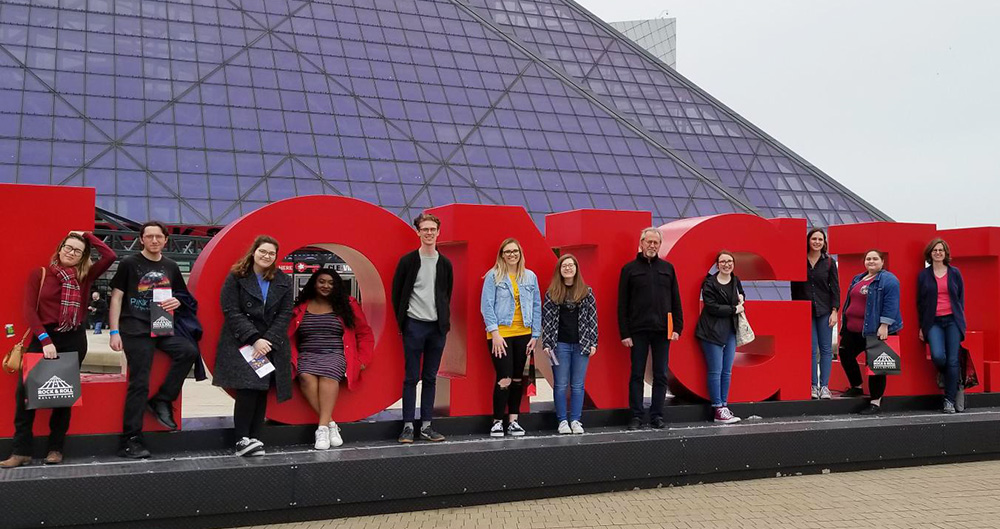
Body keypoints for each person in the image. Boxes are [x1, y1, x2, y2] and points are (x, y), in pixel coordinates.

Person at [2, 231, 115, 468]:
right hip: (44, 336)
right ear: (60, 247)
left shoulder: (85, 276)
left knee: (63, 395)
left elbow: (109, 255)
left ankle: (55, 448)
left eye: (77, 251)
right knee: (25, 394)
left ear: (83, 257)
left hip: (73, 338)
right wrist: (45, 340)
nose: (71, 253)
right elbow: (29, 310)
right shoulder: (40, 273)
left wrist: (86, 236)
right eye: (68, 247)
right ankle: (21, 450)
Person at [109, 221, 199, 459]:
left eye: (158, 236)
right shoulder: (129, 263)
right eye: (149, 236)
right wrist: (114, 331)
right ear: (142, 239)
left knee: (189, 351)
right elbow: (117, 297)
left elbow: (181, 295)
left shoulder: (170, 266)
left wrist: (178, 302)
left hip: (162, 327)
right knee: (139, 382)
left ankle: (162, 399)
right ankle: (131, 439)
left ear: (166, 239)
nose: (154, 240)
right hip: (135, 329)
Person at [213, 236, 294, 456]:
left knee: (262, 390)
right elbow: (230, 310)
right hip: (243, 343)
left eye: (271, 253)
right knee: (248, 388)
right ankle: (241, 440)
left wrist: (267, 339)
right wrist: (254, 338)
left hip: (270, 344)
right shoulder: (237, 277)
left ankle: (255, 438)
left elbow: (286, 313)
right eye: (263, 251)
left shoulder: (283, 281)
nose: (267, 256)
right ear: (254, 251)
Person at [289, 268, 374, 449]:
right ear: (314, 283)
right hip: (307, 353)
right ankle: (331, 424)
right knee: (305, 376)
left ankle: (321, 429)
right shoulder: (300, 307)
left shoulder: (347, 304)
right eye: (322, 281)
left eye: (331, 283)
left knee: (328, 375)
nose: (326, 286)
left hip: (336, 353)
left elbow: (364, 332)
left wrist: (363, 359)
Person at [391, 213, 453, 444]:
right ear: (418, 232)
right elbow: (397, 293)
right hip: (414, 325)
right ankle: (407, 425)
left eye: (432, 229)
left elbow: (447, 293)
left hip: (437, 328)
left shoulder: (445, 263)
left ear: (438, 232)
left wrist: (443, 323)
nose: (428, 233)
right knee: (410, 377)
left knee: (430, 377)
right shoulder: (407, 261)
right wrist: (404, 323)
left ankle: (427, 425)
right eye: (424, 229)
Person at [617, 228, 682, 430]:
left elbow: (675, 300)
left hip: (663, 330)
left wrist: (678, 327)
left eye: (656, 242)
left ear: (659, 245)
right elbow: (622, 304)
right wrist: (624, 333)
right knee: (637, 374)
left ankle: (657, 415)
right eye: (649, 242)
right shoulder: (629, 269)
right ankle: (636, 415)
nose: (652, 245)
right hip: (638, 331)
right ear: (641, 242)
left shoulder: (668, 268)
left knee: (661, 374)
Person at [480, 238, 542, 437]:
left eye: (515, 251)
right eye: (507, 252)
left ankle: (513, 421)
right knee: (504, 378)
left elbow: (536, 306)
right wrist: (495, 333)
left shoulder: (530, 276)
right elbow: (486, 306)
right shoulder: (493, 276)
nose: (512, 254)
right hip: (501, 336)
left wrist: (535, 334)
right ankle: (497, 421)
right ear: (502, 255)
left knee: (517, 379)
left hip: (524, 335)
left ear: (520, 253)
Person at [839, 249, 902, 414]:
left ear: (882, 262)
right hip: (853, 330)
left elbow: (892, 304)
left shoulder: (889, 280)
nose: (871, 261)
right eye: (868, 259)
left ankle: (875, 402)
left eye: (875, 259)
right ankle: (856, 386)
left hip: (876, 329)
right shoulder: (858, 278)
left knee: (877, 366)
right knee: (845, 353)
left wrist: (885, 325)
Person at [541, 254, 597, 434]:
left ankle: (575, 420)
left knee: (578, 385)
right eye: (564, 265)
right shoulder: (552, 293)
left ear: (576, 269)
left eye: (571, 265)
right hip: (560, 346)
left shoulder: (587, 292)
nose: (567, 268)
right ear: (559, 269)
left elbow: (592, 319)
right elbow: (547, 320)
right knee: (560, 384)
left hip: (581, 345)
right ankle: (562, 421)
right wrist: (547, 343)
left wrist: (593, 342)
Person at [917, 238, 966, 413]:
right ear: (930, 253)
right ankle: (953, 378)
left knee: (953, 360)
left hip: (953, 321)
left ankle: (949, 400)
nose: (938, 253)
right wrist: (922, 327)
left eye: (941, 250)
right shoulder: (924, 275)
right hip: (933, 322)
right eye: (935, 250)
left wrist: (961, 322)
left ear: (946, 253)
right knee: (938, 356)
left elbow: (960, 298)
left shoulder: (955, 273)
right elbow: (920, 303)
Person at [694, 251, 744, 424]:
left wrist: (742, 298)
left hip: (729, 331)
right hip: (711, 331)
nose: (726, 264)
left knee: (727, 371)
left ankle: (724, 405)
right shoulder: (709, 283)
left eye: (730, 261)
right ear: (717, 265)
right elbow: (712, 307)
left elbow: (740, 297)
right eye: (723, 261)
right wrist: (733, 309)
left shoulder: (736, 281)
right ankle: (717, 408)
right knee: (715, 371)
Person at [790, 228, 840, 400]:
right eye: (814, 239)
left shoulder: (829, 262)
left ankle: (824, 386)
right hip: (805, 311)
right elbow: (794, 288)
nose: (817, 242)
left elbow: (835, 287)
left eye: (820, 239)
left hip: (825, 310)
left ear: (824, 242)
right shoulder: (798, 260)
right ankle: (812, 385)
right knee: (811, 349)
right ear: (808, 241)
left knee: (826, 349)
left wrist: (835, 311)